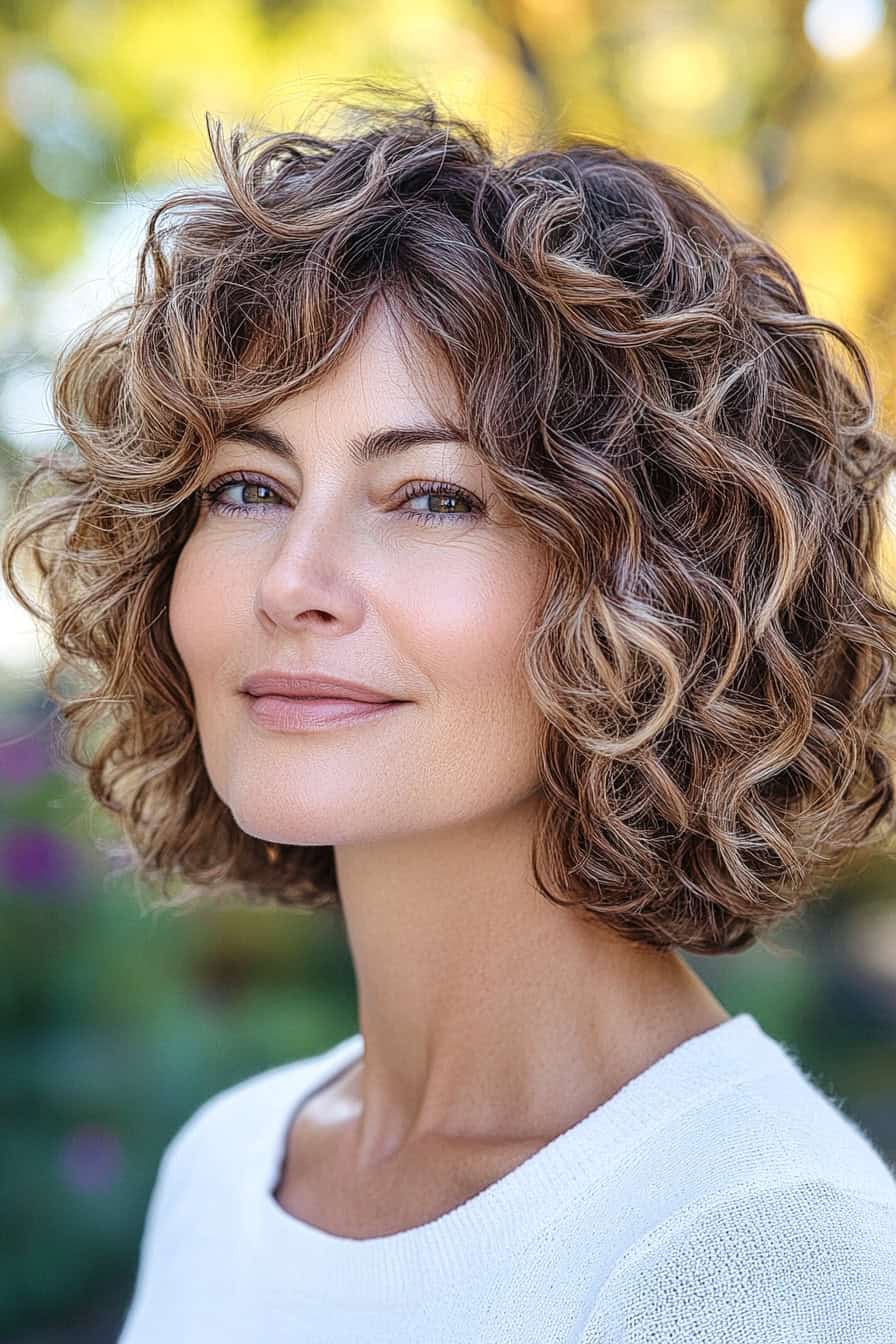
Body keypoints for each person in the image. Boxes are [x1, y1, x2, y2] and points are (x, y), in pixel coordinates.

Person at [3, 80, 895, 1342]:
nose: (294, 584)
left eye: (430, 498)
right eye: (248, 489)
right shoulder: (230, 1165)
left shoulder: (749, 1255)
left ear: (657, 588)